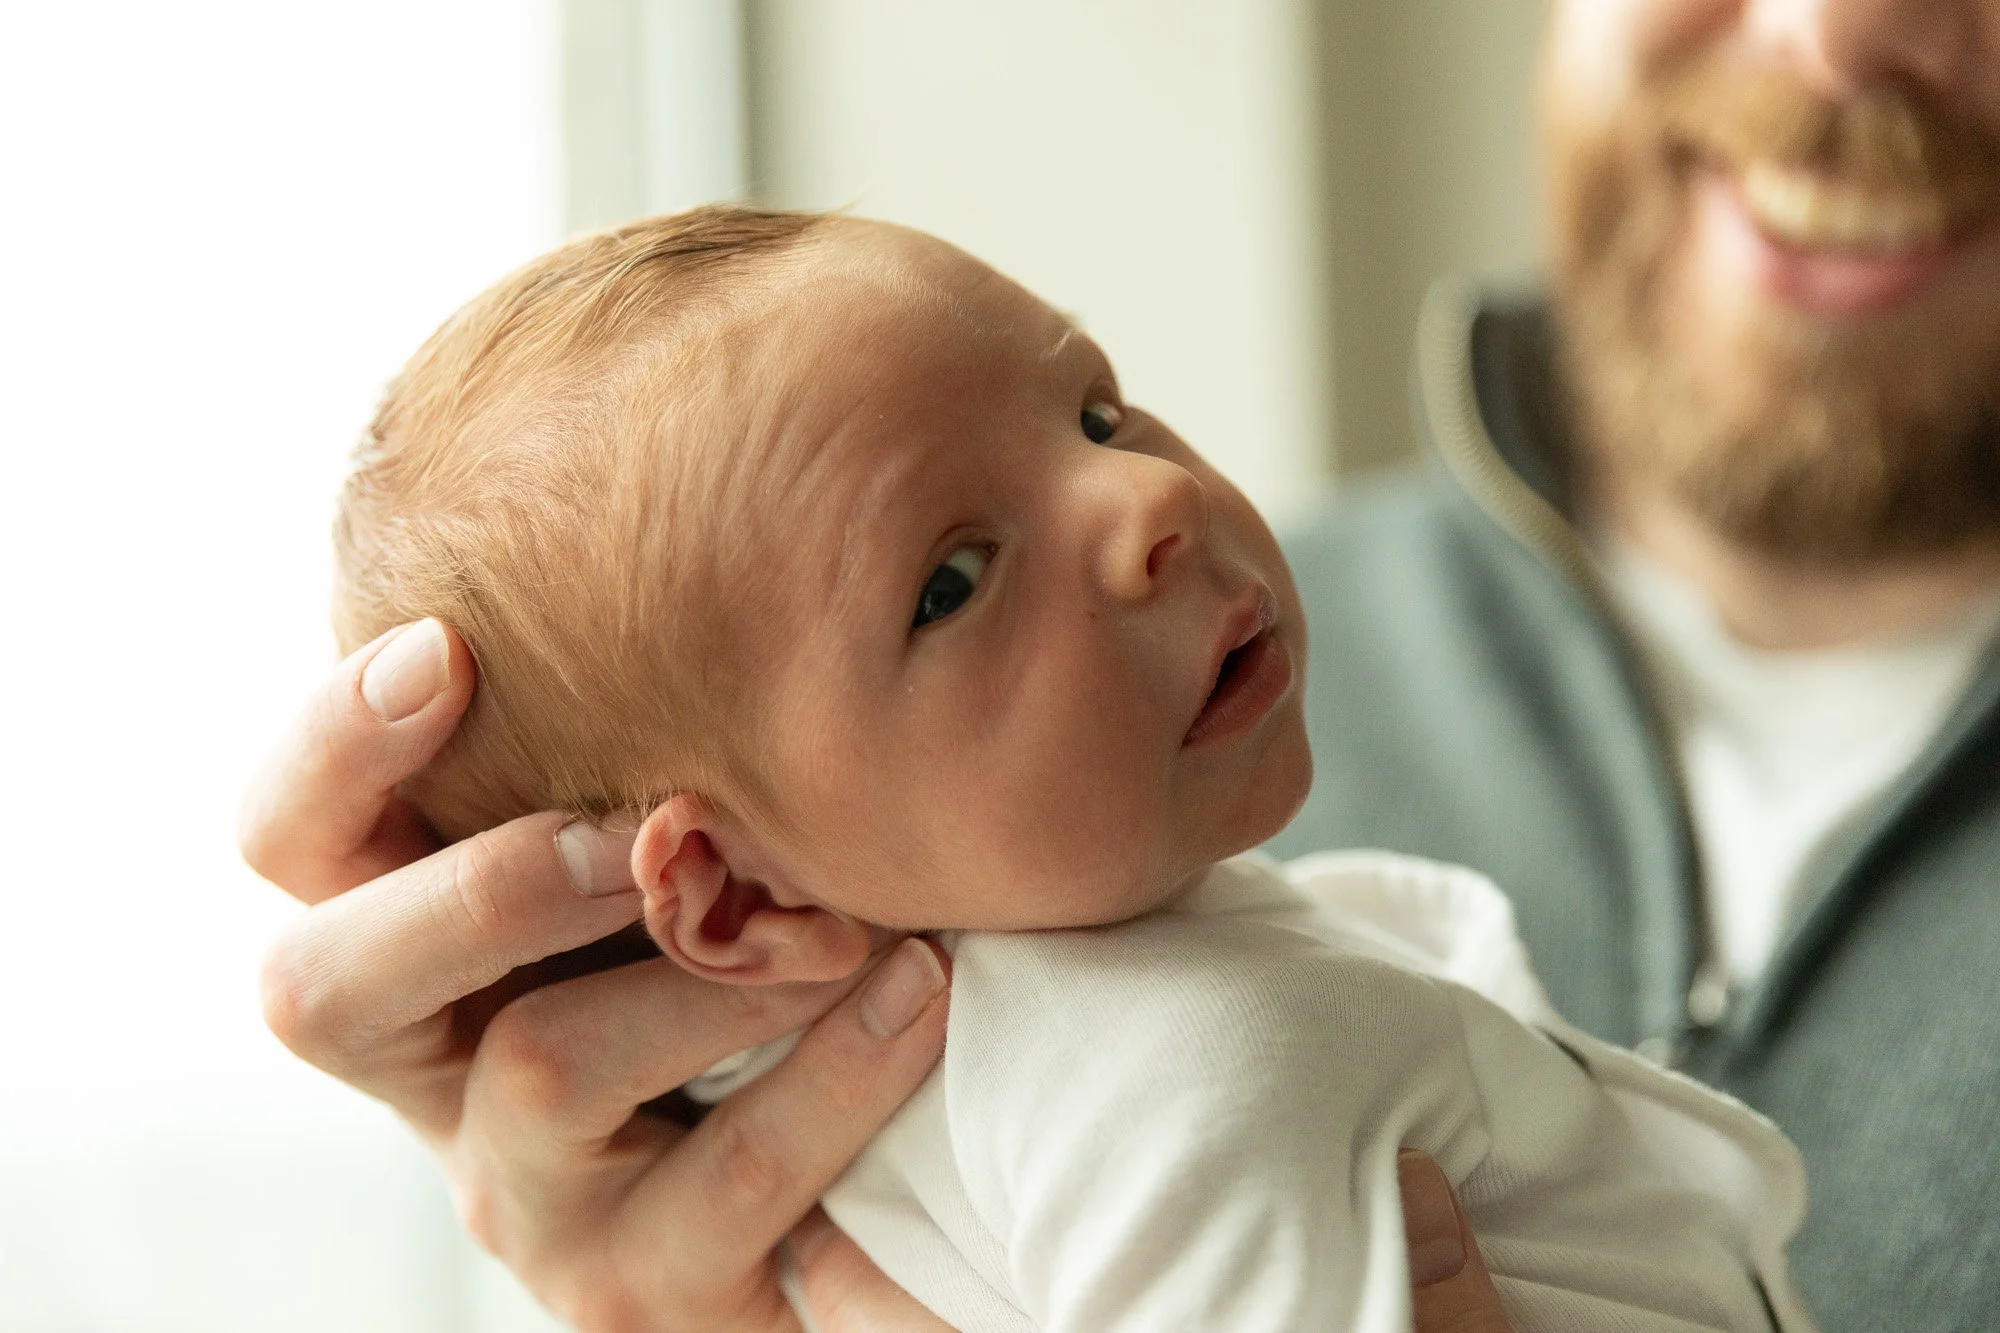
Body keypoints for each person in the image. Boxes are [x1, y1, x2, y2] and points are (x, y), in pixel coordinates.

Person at [241, 0, 1999, 1329]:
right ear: (728, 904)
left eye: (1095, 407)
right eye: (950, 580)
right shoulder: (1181, 1059)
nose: (1151, 496)